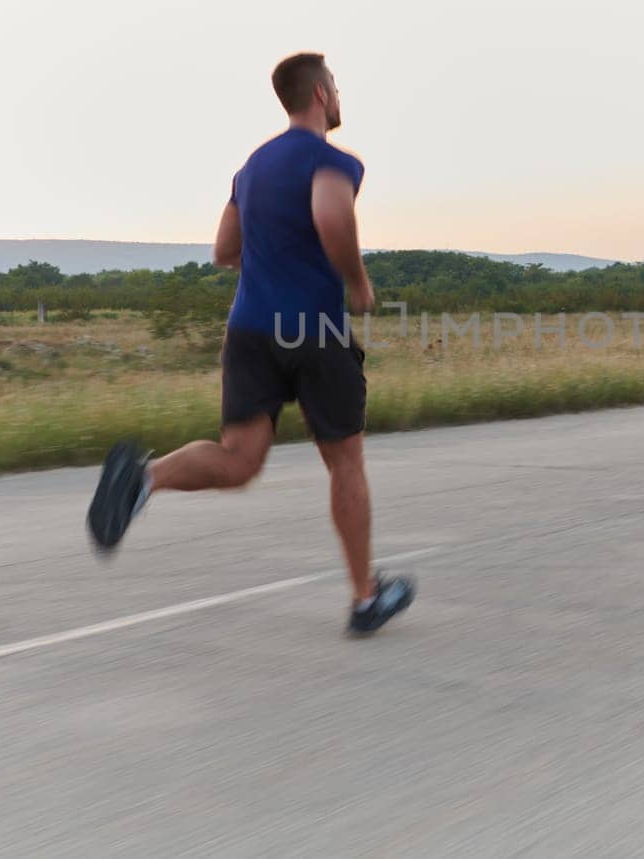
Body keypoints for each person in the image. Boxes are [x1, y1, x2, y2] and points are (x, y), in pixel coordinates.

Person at [86, 53, 414, 636]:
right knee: (345, 462)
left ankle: (145, 479)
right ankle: (365, 600)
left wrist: (274, 261)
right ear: (318, 94)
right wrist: (358, 283)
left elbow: (223, 248)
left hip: (250, 330)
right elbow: (332, 218)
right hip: (314, 330)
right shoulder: (331, 159)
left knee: (240, 460)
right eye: (335, 87)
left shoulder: (252, 167)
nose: (339, 97)